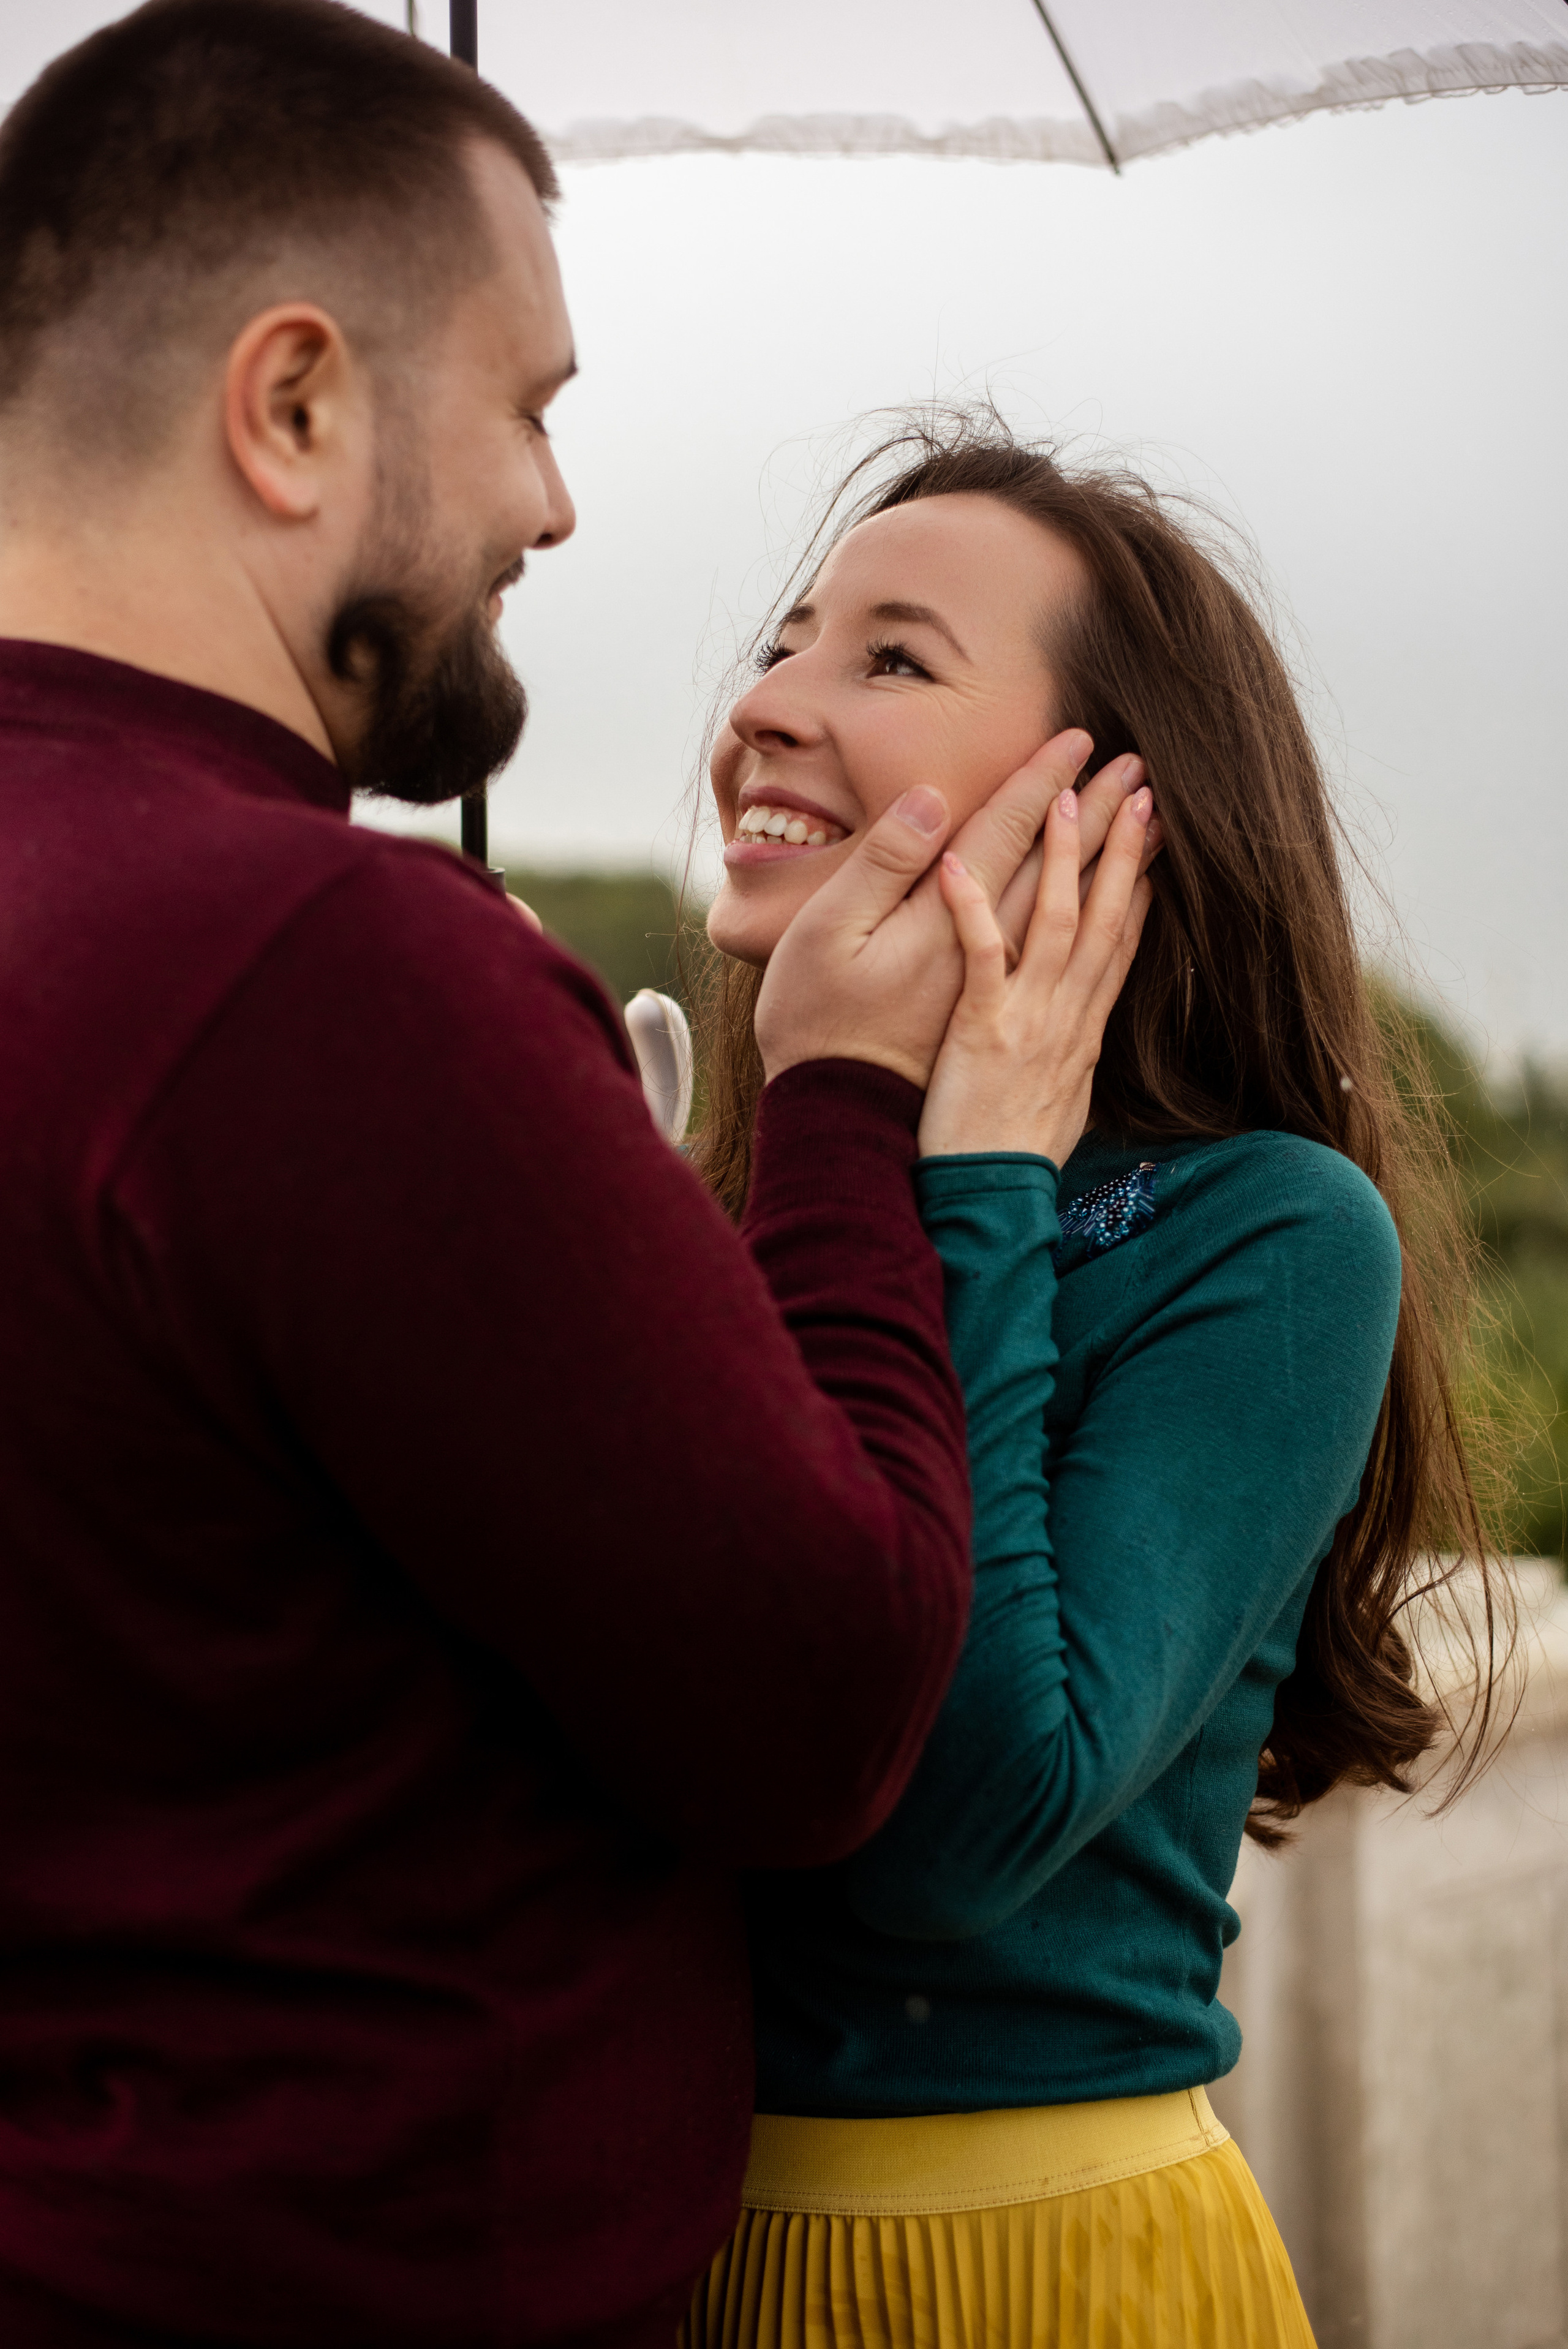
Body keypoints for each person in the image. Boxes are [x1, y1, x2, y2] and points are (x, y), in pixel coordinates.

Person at [0, 14, 1156, 2349]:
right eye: (526, 405)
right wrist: (841, 1100)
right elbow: (825, 1704)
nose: (554, 507)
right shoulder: (325, 973)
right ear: (293, 405)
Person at [680, 417, 1509, 2349]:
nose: (766, 705)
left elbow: (960, 1825)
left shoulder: (1270, 1230)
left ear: (1109, 807)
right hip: (688, 2255)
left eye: (891, 657)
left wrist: (979, 1175)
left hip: (1040, 2265)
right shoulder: (756, 1204)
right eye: (787, 642)